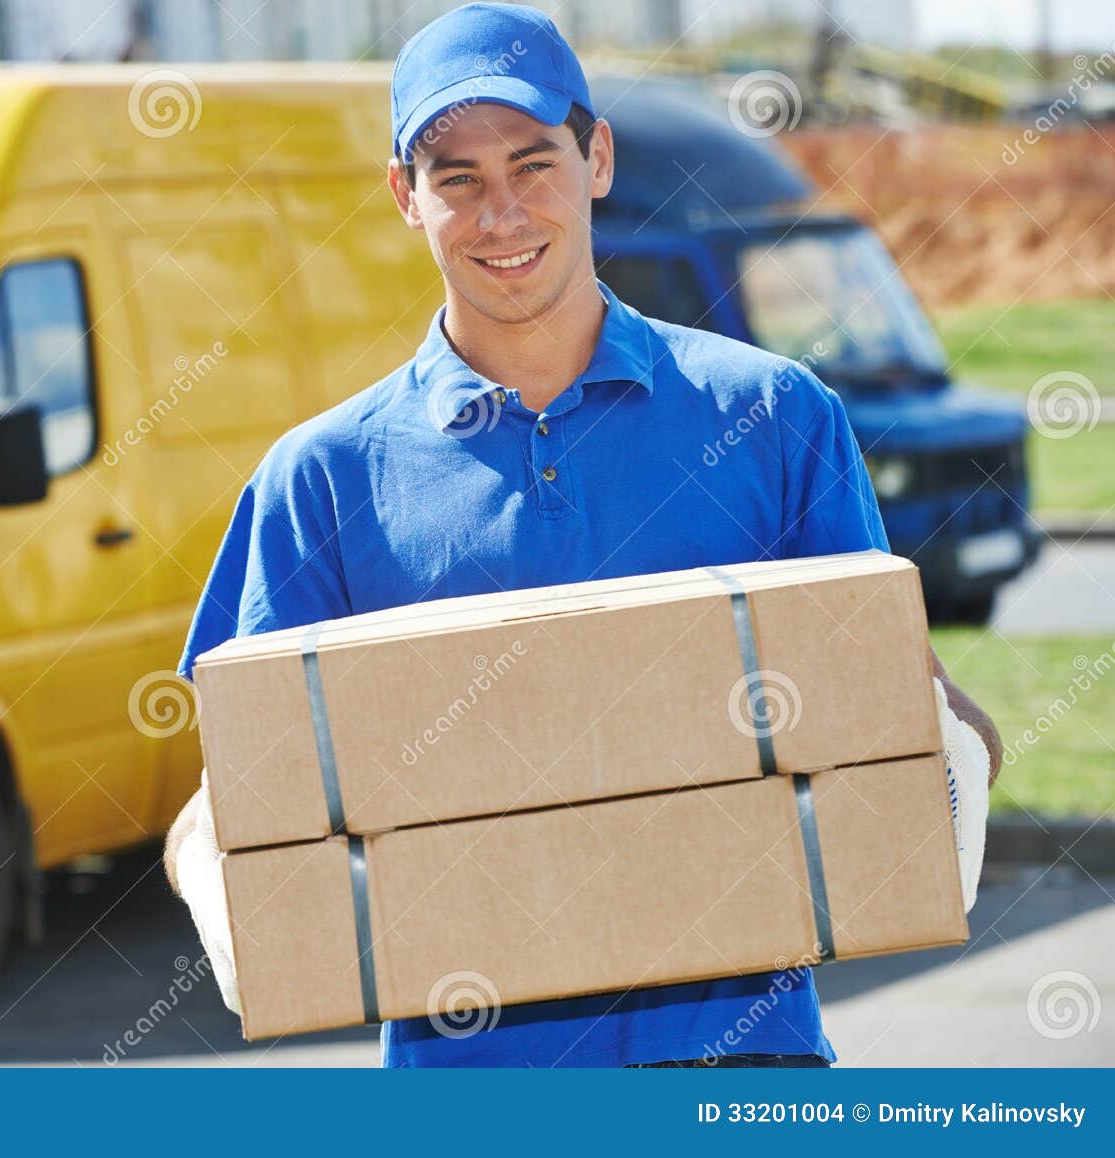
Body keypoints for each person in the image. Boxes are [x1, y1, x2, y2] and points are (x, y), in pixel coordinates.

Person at [164, 2, 1001, 1068]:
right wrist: (221, 886)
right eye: (454, 177)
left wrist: (946, 777)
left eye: (531, 163)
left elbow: (901, 712)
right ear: (402, 199)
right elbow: (236, 794)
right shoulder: (320, 482)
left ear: (596, 157)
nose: (500, 213)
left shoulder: (773, 419)